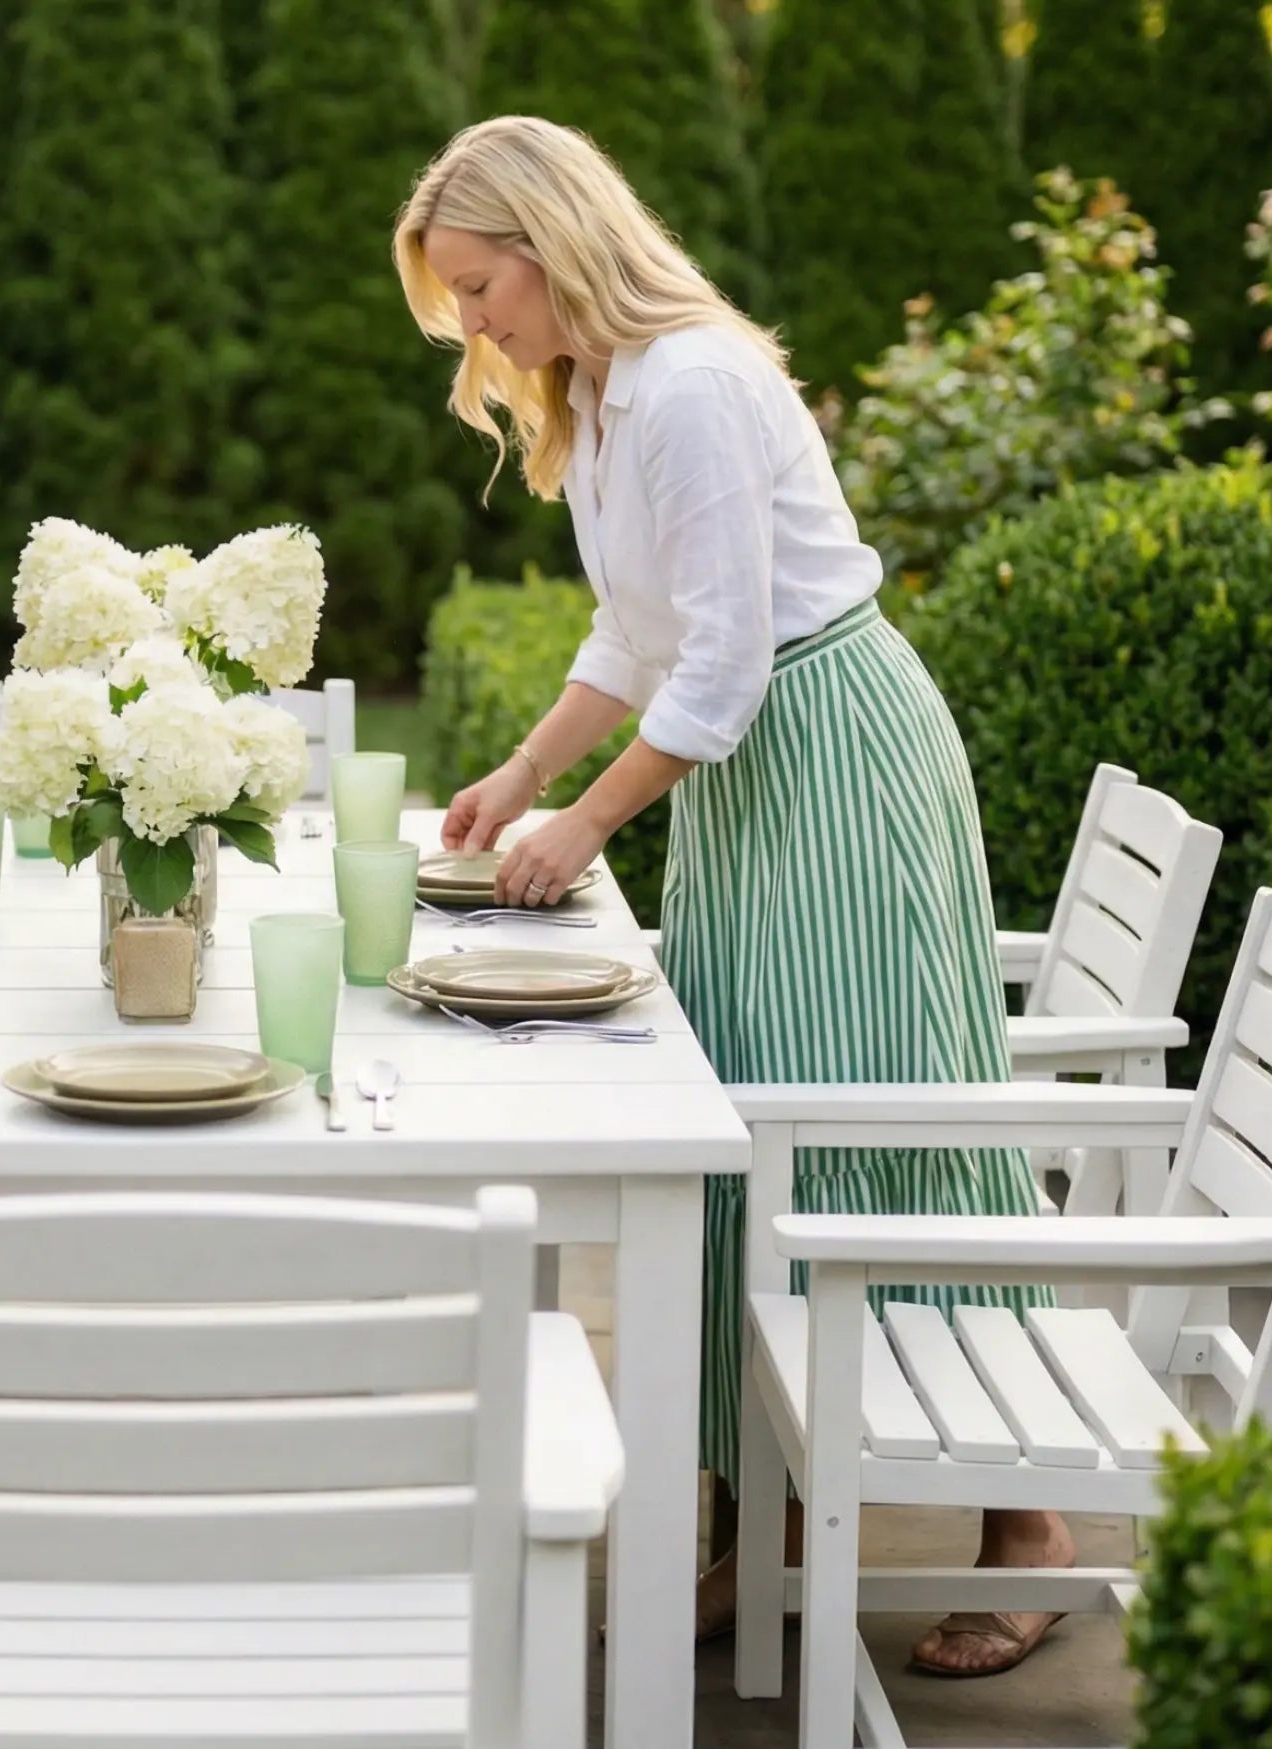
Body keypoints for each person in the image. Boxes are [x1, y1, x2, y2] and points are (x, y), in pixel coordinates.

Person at [392, 115, 1067, 1677]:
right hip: (752, 779)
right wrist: (518, 772)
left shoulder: (691, 384)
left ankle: (1022, 1515)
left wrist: (585, 824)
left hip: (831, 756)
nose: (478, 324)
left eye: (484, 287)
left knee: (887, 1108)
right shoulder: (604, 400)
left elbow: (728, 662)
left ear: (556, 245)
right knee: (743, 1123)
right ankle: (759, 1520)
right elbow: (634, 640)